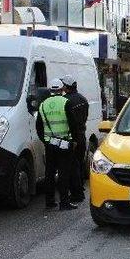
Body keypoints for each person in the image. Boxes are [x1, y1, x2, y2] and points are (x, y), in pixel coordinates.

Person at [36, 79, 78, 211]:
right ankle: (64, 203)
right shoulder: (66, 102)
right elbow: (73, 124)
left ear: (50, 90)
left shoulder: (42, 105)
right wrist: (74, 140)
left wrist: (46, 140)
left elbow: (39, 127)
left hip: (50, 145)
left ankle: (49, 202)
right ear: (62, 89)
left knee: (49, 173)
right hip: (65, 144)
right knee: (64, 173)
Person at [61, 75, 89, 203]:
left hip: (71, 137)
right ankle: (81, 187)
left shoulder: (65, 101)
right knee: (80, 162)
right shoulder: (83, 99)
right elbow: (85, 117)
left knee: (72, 166)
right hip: (81, 135)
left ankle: (75, 192)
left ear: (67, 87)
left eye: (63, 85)